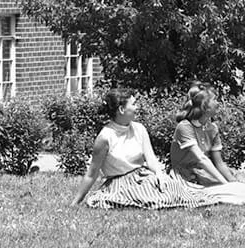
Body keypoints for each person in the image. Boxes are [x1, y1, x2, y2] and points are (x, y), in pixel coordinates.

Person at [72, 89, 203, 209]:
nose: (137, 107)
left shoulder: (139, 128)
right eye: (133, 104)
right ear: (122, 110)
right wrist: (76, 202)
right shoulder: (105, 137)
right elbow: (92, 173)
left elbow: (151, 159)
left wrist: (159, 174)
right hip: (120, 183)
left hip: (143, 176)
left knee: (172, 188)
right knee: (150, 197)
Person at [168, 86, 245, 206]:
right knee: (228, 191)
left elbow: (219, 163)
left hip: (207, 171)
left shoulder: (212, 128)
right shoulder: (185, 127)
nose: (218, 103)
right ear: (205, 107)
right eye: (214, 100)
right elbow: (201, 160)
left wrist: (232, 181)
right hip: (188, 176)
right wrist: (226, 184)